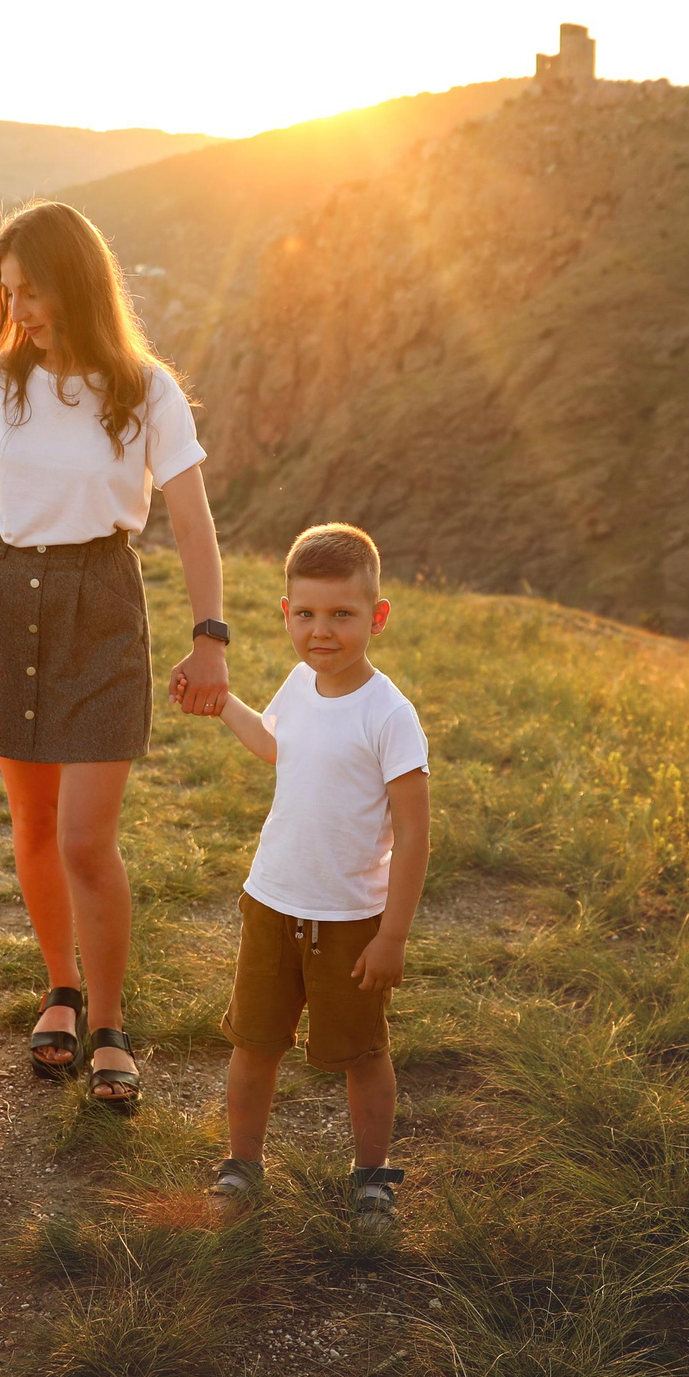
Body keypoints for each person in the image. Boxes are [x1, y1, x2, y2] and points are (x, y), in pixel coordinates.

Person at [0, 200, 231, 1111]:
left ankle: (112, 1025)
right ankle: (61, 987)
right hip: (10, 598)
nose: (21, 310)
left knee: (89, 839)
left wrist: (211, 637)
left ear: (77, 281)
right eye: (7, 293)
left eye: (35, 290)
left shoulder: (143, 387)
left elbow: (194, 518)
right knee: (36, 825)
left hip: (100, 604)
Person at [195, 524, 428, 1236]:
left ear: (376, 615)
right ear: (285, 613)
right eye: (306, 614)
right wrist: (222, 702)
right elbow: (276, 745)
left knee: (362, 1051)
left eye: (341, 614)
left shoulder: (389, 714)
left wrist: (391, 934)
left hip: (352, 917)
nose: (321, 631)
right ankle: (242, 1164)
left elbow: (415, 832)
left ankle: (372, 1175)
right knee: (255, 1041)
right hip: (273, 901)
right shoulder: (299, 683)